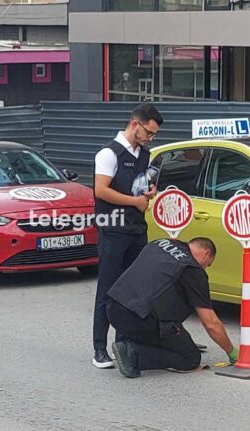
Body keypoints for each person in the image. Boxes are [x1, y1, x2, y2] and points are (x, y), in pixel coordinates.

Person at [91, 103, 163, 369]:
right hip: (112, 227)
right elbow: (101, 190)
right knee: (108, 289)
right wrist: (134, 202)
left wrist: (148, 191)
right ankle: (99, 348)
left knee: (131, 289)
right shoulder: (109, 154)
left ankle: (123, 343)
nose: (151, 138)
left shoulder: (145, 154)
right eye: (149, 132)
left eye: (154, 134)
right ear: (135, 124)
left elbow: (139, 184)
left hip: (136, 228)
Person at [107, 237, 238, 378]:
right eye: (208, 264)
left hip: (113, 306)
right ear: (206, 254)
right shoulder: (193, 270)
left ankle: (130, 342)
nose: (206, 267)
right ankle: (133, 352)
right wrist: (231, 352)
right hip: (139, 318)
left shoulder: (161, 242)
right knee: (190, 358)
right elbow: (211, 323)